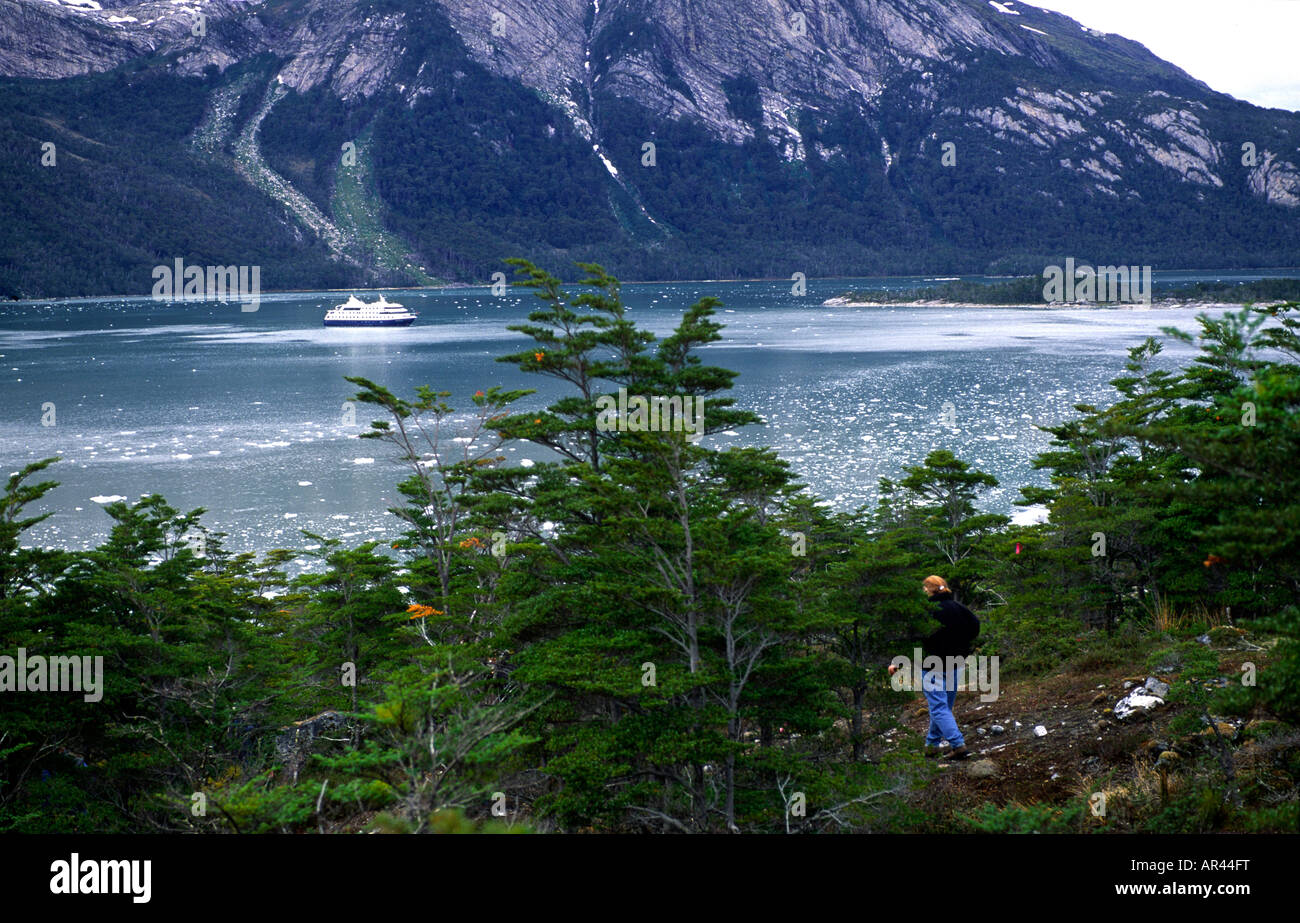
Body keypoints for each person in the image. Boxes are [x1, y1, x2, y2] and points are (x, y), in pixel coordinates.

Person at [890, 575, 980, 761]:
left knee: (939, 708)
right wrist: (962, 644)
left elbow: (913, 639)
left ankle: (958, 745)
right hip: (956, 663)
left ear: (928, 590)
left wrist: (897, 663)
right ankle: (931, 745)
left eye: (924, 589)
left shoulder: (926, 612)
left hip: (932, 665)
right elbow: (975, 627)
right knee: (943, 707)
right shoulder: (959, 608)